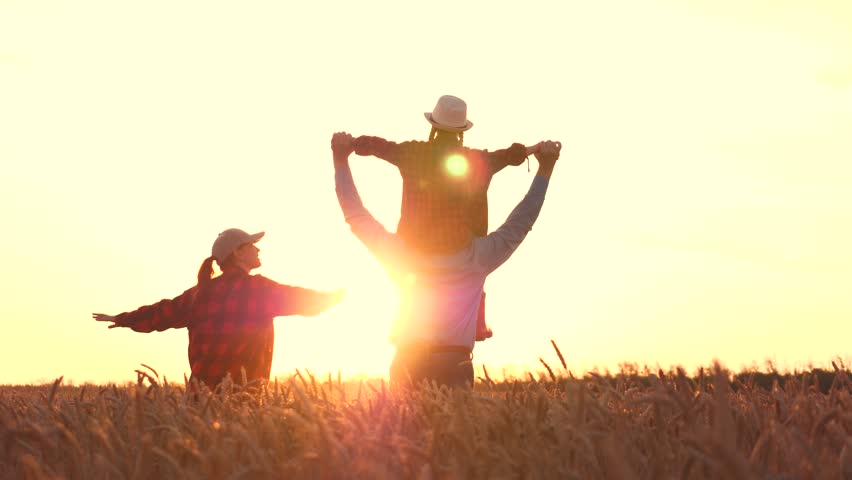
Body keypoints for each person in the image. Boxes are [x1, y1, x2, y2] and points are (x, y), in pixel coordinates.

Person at [331, 131, 561, 389]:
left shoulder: (400, 255)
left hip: (407, 362)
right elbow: (521, 221)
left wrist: (340, 160)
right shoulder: (479, 256)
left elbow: (356, 216)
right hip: (454, 366)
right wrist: (546, 168)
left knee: (403, 418)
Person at [351, 94, 544, 341]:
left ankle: (406, 327)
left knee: (407, 282)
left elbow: (377, 146)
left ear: (433, 127)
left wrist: (350, 143)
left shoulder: (412, 153)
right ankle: (475, 325)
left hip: (414, 245)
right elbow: (511, 155)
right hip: (461, 247)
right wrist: (537, 150)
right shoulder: (477, 161)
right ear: (461, 132)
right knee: (473, 279)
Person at [92, 228, 344, 390]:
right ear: (238, 253)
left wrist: (122, 318)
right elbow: (301, 299)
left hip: (200, 399)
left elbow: (161, 313)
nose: (257, 249)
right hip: (243, 398)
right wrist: (334, 297)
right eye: (251, 245)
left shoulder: (200, 293)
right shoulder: (258, 289)